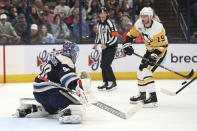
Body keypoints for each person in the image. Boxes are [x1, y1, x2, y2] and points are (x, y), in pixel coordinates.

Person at [14, 41, 93, 124]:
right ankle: (68, 114)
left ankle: (37, 108)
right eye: (74, 53)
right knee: (76, 106)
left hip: (38, 93)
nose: (75, 55)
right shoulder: (66, 61)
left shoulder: (57, 57)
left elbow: (59, 78)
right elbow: (67, 79)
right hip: (51, 93)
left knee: (54, 108)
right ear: (71, 53)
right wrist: (78, 86)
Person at [122, 7, 168, 107]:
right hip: (150, 50)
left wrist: (154, 56)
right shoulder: (139, 24)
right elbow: (130, 35)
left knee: (146, 71)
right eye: (142, 16)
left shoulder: (158, 27)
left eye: (145, 16)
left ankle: (153, 98)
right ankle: (142, 95)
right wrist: (128, 45)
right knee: (140, 70)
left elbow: (162, 45)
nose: (143, 18)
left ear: (150, 17)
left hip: (160, 51)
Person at [93, 7, 118, 91]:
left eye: (104, 13)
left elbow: (115, 36)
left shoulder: (110, 23)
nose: (102, 14)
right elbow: (98, 35)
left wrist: (107, 44)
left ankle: (112, 82)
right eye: (101, 13)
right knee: (103, 65)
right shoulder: (99, 24)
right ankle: (106, 82)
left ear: (107, 14)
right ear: (99, 14)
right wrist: (96, 43)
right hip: (105, 47)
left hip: (111, 46)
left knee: (106, 64)